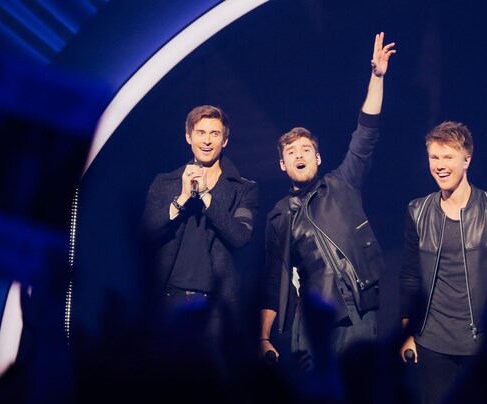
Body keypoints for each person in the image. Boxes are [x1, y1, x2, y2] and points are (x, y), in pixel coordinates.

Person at [258, 32, 396, 370]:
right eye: (292, 152)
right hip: (311, 320)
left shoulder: (341, 183)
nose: (299, 155)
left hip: (356, 312)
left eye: (306, 150)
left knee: (357, 387)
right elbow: (274, 278)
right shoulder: (280, 215)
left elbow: (365, 133)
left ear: (318, 158)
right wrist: (263, 337)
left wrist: (377, 78)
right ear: (282, 164)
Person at [399, 121, 487, 404]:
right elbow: (409, 276)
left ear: (467, 160)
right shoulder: (418, 210)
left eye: (448, 157)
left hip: (482, 344)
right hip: (432, 343)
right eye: (434, 157)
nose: (440, 165)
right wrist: (407, 332)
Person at [140, 105, 258, 339]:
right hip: (168, 301)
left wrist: (205, 195)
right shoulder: (165, 183)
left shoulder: (244, 189)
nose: (207, 141)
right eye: (200, 133)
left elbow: (240, 237)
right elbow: (145, 234)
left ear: (224, 140)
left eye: (214, 134)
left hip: (216, 307)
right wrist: (181, 199)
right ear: (188, 137)